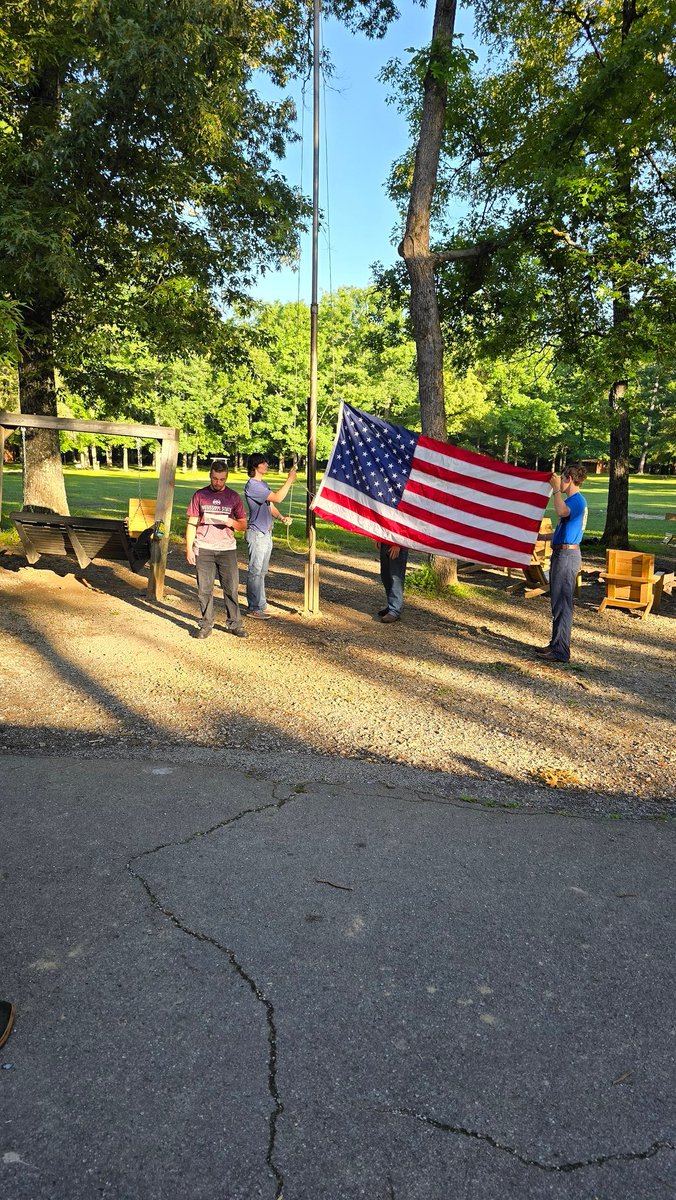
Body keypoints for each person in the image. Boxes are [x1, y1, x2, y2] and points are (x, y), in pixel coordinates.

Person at [186, 460, 248, 639]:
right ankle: (206, 624)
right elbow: (191, 523)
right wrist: (189, 549)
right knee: (204, 589)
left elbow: (244, 525)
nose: (218, 482)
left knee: (231, 587)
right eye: (214, 478)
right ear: (210, 476)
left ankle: (235, 623)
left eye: (221, 479)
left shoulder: (234, 497)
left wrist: (232, 523)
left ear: (226, 477)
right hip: (204, 548)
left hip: (227, 549)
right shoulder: (200, 495)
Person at [535, 464, 588, 663]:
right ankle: (556, 644)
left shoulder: (576, 501)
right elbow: (564, 531)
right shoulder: (574, 501)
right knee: (557, 603)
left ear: (570, 479)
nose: (561, 482)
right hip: (563, 554)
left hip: (567, 557)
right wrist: (543, 537)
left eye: (563, 479)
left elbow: (560, 511)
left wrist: (556, 489)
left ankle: (561, 651)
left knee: (563, 604)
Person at [244, 454, 297, 618]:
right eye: (263, 462)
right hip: (256, 534)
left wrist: (281, 518)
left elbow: (271, 505)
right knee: (255, 571)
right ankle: (254, 608)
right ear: (255, 466)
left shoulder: (262, 484)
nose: (267, 464)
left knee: (262, 571)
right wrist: (289, 479)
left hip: (266, 533)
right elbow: (279, 497)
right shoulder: (252, 485)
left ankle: (261, 604)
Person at [378, 540, 409, 623]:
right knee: (386, 575)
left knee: (396, 577)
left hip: (398, 543)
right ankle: (391, 605)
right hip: (386, 541)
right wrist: (378, 538)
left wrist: (398, 544)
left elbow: (405, 527)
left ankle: (395, 610)